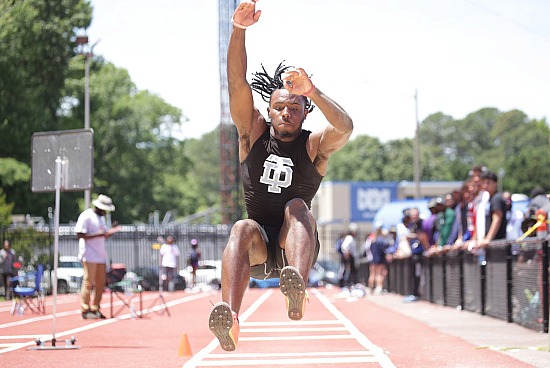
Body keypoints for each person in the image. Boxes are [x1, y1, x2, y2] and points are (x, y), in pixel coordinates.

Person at [208, 0, 353, 352]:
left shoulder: (314, 145)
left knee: (297, 206)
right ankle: (231, 317)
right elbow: (236, 82)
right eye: (279, 107)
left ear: (305, 112)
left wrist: (313, 90)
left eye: (295, 107)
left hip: (295, 245)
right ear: (269, 110)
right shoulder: (252, 134)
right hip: (258, 247)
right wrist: (239, 30)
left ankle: (297, 292)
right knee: (241, 226)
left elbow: (345, 127)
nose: (286, 112)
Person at [74, 194, 121, 319]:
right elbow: (79, 234)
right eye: (105, 210)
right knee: (88, 282)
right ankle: (85, 309)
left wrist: (112, 231)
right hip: (89, 255)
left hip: (100, 256)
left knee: (100, 283)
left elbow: (103, 234)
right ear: (99, 207)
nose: (106, 212)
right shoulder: (86, 216)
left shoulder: (101, 219)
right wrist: (98, 234)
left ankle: (95, 308)